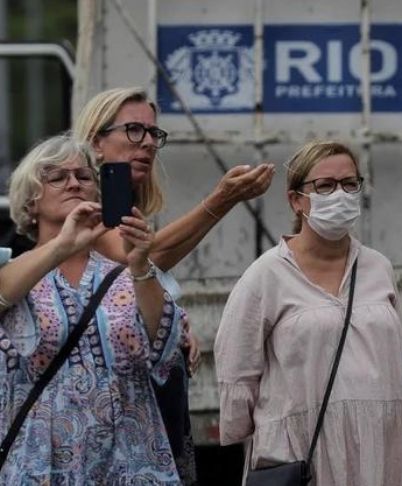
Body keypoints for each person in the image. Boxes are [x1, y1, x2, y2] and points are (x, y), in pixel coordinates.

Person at [72, 86, 275, 483]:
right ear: (96, 142)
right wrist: (221, 199)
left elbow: (141, 278)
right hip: (110, 412)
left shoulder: (125, 205)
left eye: (152, 134)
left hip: (147, 401)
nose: (147, 143)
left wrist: (172, 321)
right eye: (133, 130)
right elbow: (137, 259)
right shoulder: (82, 204)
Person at [214, 141, 402, 486]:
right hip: (303, 453)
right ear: (296, 200)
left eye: (349, 184)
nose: (339, 195)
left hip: (383, 448)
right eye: (325, 186)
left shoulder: (379, 267)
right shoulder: (266, 275)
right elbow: (237, 369)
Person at [0, 135, 183, 483]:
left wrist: (141, 264)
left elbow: (165, 347)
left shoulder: (125, 272)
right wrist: (61, 246)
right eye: (57, 177)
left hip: (131, 463)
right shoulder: (13, 272)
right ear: (30, 202)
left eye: (84, 177)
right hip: (41, 465)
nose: (73, 183)